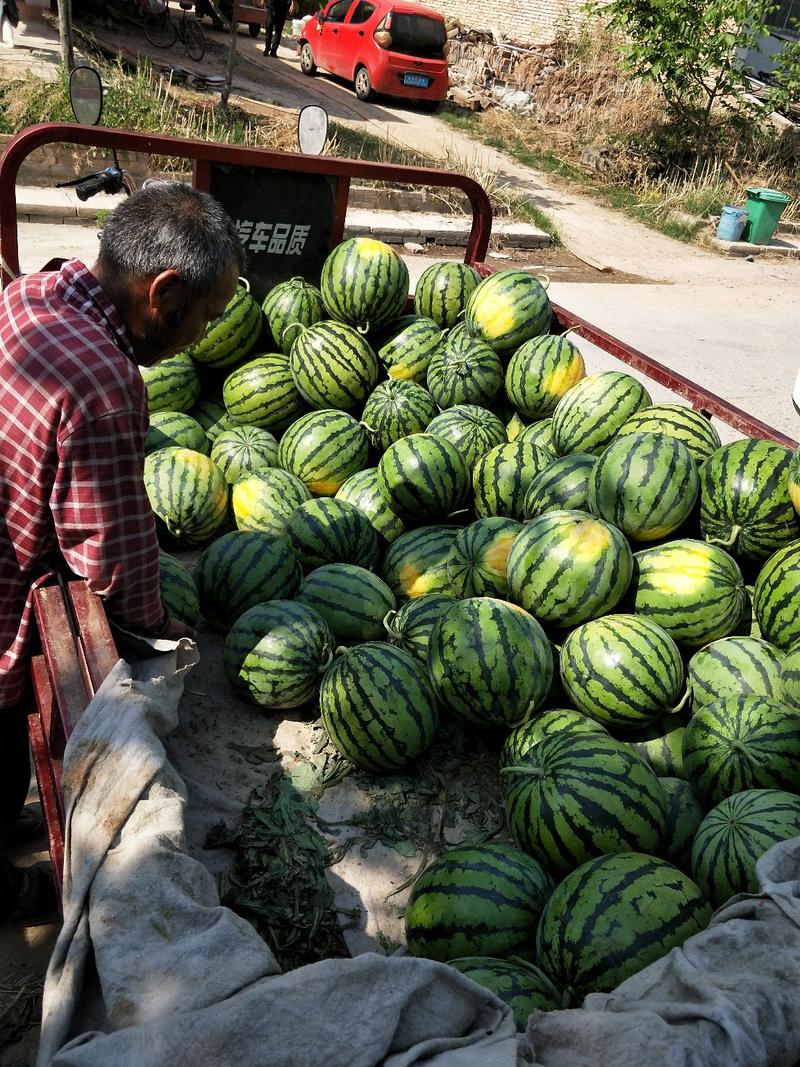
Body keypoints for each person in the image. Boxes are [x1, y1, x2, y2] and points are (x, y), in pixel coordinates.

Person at [0, 182, 242, 923]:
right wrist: (164, 644)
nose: (202, 336)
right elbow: (113, 570)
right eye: (206, 317)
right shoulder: (105, 383)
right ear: (162, 292)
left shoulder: (32, 296)